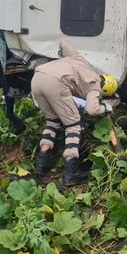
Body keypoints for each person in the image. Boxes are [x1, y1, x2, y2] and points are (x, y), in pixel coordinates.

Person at [31, 39, 118, 185]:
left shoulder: (81, 60)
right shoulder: (95, 87)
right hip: (56, 83)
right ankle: (71, 172)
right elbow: (92, 109)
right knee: (73, 125)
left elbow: (64, 43)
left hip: (37, 77)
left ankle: (42, 164)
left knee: (52, 121)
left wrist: (60, 52)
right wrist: (105, 107)